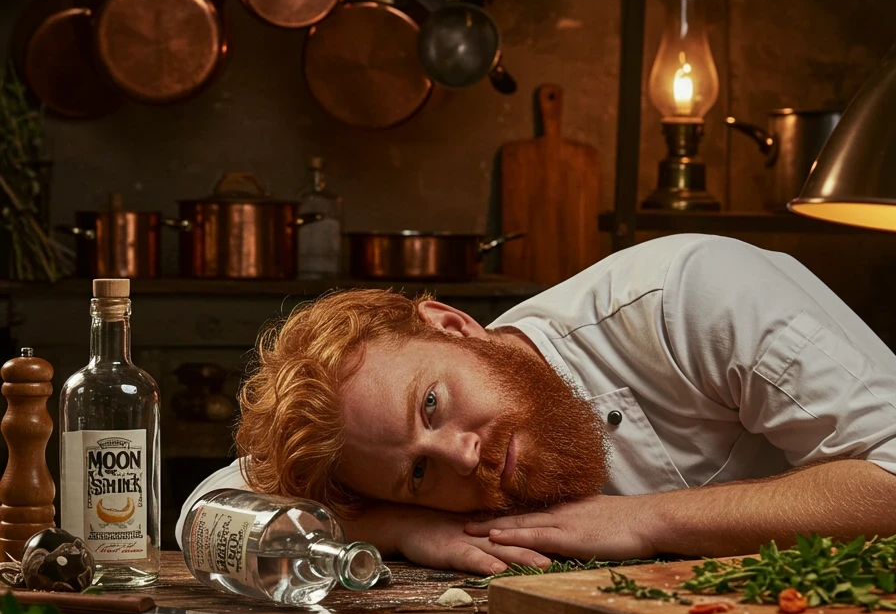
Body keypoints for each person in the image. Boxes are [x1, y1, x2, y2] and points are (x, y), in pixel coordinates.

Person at [176, 233, 896, 575]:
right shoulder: (408, 475)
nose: (462, 454)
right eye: (420, 475)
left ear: (453, 324)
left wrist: (649, 521)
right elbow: (204, 512)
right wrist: (395, 525)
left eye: (432, 405)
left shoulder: (688, 295)